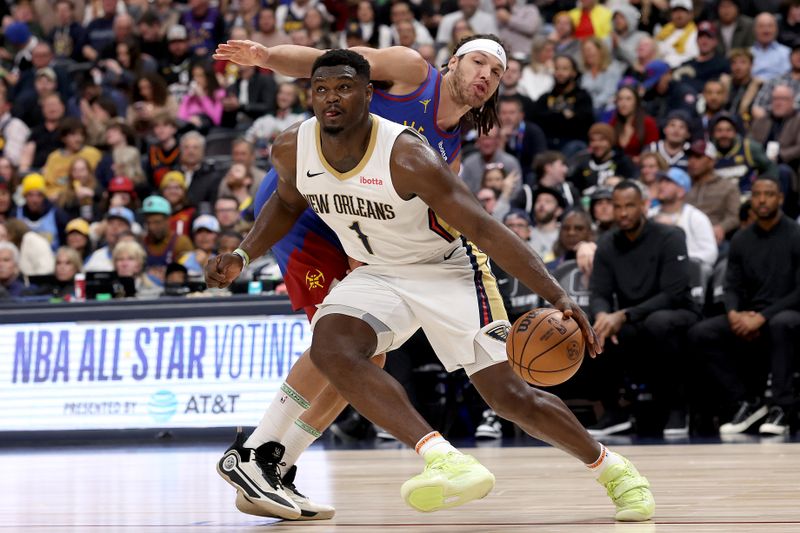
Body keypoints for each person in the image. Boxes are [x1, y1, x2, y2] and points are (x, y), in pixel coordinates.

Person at [206, 49, 654, 521]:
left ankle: (616, 470)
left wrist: (557, 293)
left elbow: (484, 228)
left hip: (447, 269)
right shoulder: (292, 145)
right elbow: (286, 201)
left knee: (509, 396)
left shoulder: (408, 155)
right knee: (333, 345)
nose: (331, 99)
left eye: (343, 88)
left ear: (368, 94)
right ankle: (440, 457)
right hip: (379, 270)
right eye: (320, 90)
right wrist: (242, 254)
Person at [211, 34, 513, 517]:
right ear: (455, 61)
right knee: (337, 345)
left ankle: (276, 466)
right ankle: (254, 453)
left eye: (496, 72)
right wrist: (268, 58)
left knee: (369, 356)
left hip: (360, 227)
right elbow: (331, 66)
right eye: (478, 61)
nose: (484, 74)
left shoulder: (452, 139)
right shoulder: (413, 70)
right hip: (309, 211)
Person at [587, 180, 700, 438]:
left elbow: (674, 293)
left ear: (644, 206)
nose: (623, 213)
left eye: (630, 206)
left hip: (680, 313)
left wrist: (624, 315)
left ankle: (677, 409)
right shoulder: (606, 243)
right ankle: (615, 412)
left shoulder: (671, 236)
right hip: (633, 318)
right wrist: (603, 315)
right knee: (598, 331)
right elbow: (599, 293)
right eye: (618, 207)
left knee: (658, 323)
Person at [689, 175, 800, 436]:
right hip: (749, 314)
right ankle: (746, 402)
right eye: (757, 194)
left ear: (780, 198)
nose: (762, 200)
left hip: (788, 312)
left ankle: (783, 407)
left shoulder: (795, 235)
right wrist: (734, 314)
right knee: (700, 333)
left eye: (769, 194)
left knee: (782, 323)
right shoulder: (741, 238)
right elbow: (732, 286)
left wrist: (762, 317)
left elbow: (799, 291)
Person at [648, 168, 719, 270]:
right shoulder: (650, 215)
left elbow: (710, 253)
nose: (661, 185)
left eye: (668, 182)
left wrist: (679, 259)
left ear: (681, 191)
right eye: (661, 181)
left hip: (687, 271)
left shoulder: (696, 217)